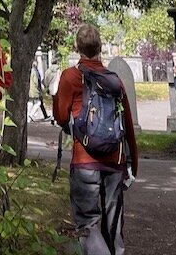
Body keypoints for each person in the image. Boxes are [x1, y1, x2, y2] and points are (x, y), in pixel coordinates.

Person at [53, 24, 138, 255]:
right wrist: (132, 165)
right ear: (100, 47)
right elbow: (127, 126)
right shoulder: (115, 81)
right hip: (114, 161)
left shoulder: (71, 76)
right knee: (114, 223)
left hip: (85, 161)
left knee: (88, 223)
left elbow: (61, 116)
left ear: (76, 47)